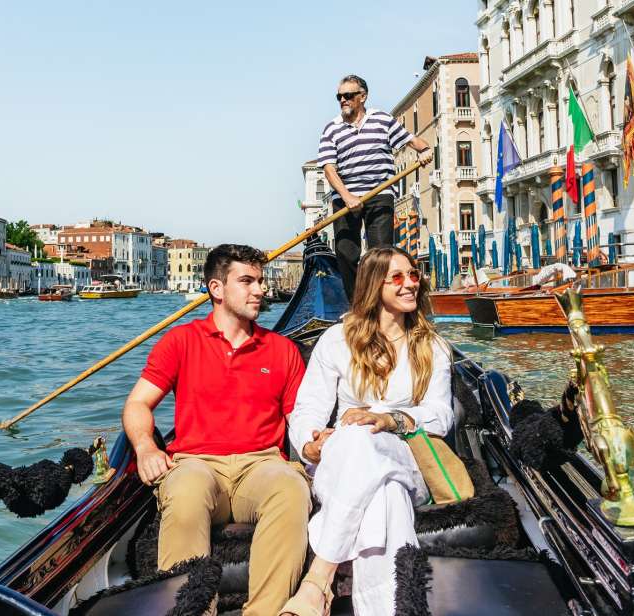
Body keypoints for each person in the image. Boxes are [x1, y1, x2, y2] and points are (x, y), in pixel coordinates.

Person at [121, 244, 311, 616]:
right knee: (186, 488)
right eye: (247, 281)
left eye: (260, 281)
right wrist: (145, 447)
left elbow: (301, 421)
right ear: (216, 288)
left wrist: (317, 445)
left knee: (291, 487)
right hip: (198, 462)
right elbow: (137, 404)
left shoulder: (282, 350)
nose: (260, 290)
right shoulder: (180, 341)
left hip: (261, 464)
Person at [280, 247, 454, 616]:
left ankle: (318, 581)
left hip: (409, 461)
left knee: (368, 441)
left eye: (414, 274)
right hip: (342, 461)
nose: (410, 283)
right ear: (374, 286)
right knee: (381, 490)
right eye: (398, 277)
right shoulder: (336, 340)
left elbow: (441, 415)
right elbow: (307, 408)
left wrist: (389, 419)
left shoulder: (433, 347)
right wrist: (310, 442)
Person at [318, 74, 434, 298]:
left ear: (363, 96)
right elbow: (329, 169)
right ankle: (356, 305)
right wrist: (347, 196)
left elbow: (413, 141)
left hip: (380, 194)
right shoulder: (331, 129)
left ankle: (379, 301)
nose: (343, 100)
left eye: (348, 95)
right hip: (344, 198)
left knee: (380, 254)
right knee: (345, 253)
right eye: (339, 96)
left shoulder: (381, 119)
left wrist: (426, 150)